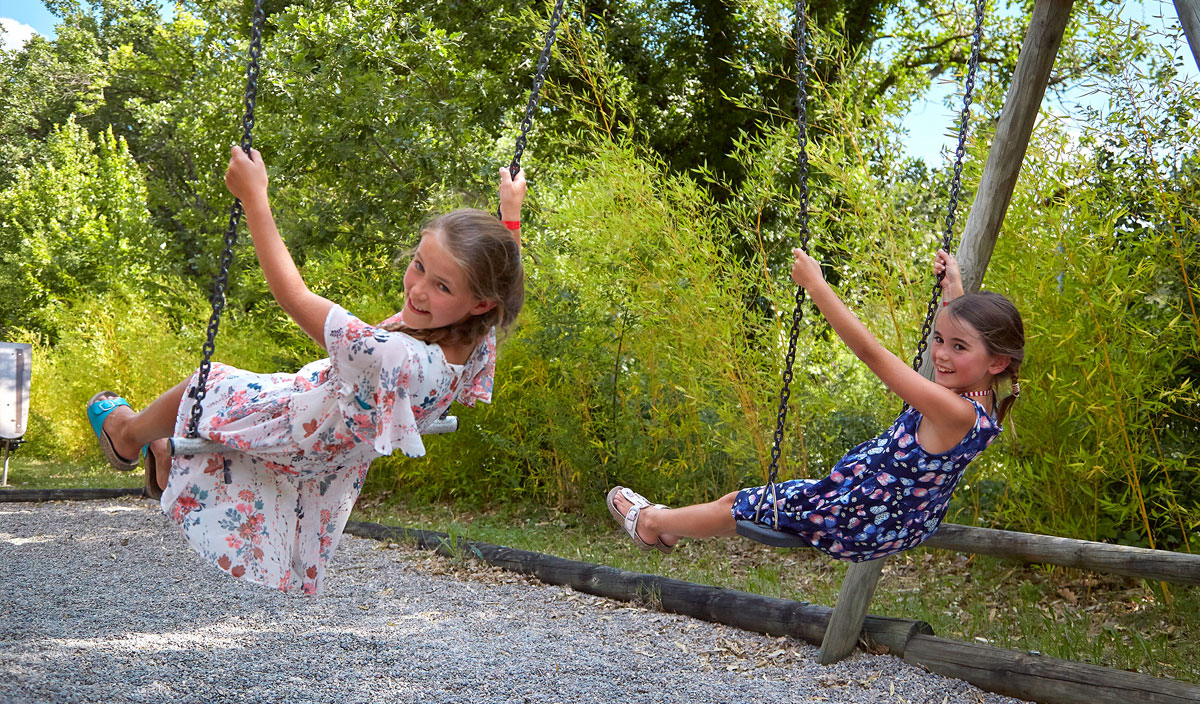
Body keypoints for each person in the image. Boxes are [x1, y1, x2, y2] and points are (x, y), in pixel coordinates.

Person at [86, 146, 526, 593]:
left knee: (209, 383)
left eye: (442, 285)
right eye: (419, 266)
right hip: (331, 437)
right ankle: (163, 456)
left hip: (301, 427)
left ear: (479, 301)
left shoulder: (390, 356)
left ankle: (127, 439)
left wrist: (255, 199)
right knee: (234, 397)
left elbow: (293, 296)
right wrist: (510, 216)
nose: (418, 289)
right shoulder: (478, 336)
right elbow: (501, 279)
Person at [607, 248, 1024, 560]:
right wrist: (952, 290)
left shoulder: (952, 411)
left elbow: (871, 354)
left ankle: (651, 523)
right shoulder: (981, 402)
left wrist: (817, 286)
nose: (942, 355)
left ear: (997, 360)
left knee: (736, 504)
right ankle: (671, 529)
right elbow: (963, 342)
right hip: (894, 520)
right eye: (938, 340)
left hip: (854, 517)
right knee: (748, 501)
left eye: (958, 347)